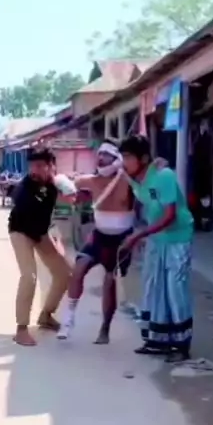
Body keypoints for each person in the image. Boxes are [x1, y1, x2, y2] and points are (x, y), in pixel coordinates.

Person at [119, 134, 194, 363]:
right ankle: (157, 340)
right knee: (153, 287)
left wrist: (138, 235)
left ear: (143, 158)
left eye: (128, 157)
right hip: (156, 238)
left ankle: (181, 344)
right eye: (123, 157)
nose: (124, 162)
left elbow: (170, 215)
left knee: (175, 289)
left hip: (177, 238)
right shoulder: (135, 179)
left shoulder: (164, 176)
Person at [58, 140, 135, 343]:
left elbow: (149, 187)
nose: (100, 158)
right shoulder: (91, 181)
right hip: (99, 235)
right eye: (99, 154)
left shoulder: (128, 181)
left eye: (106, 155)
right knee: (78, 270)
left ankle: (105, 329)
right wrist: (62, 183)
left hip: (122, 239)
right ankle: (68, 319)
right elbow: (64, 182)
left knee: (109, 280)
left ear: (116, 158)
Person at [9, 148, 71, 346]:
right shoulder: (25, 187)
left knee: (64, 273)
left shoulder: (53, 186)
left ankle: (46, 315)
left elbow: (50, 218)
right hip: (21, 232)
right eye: (32, 166)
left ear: (51, 166)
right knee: (29, 277)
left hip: (41, 232)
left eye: (39, 166)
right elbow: (21, 201)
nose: (34, 170)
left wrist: (57, 242)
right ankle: (21, 329)